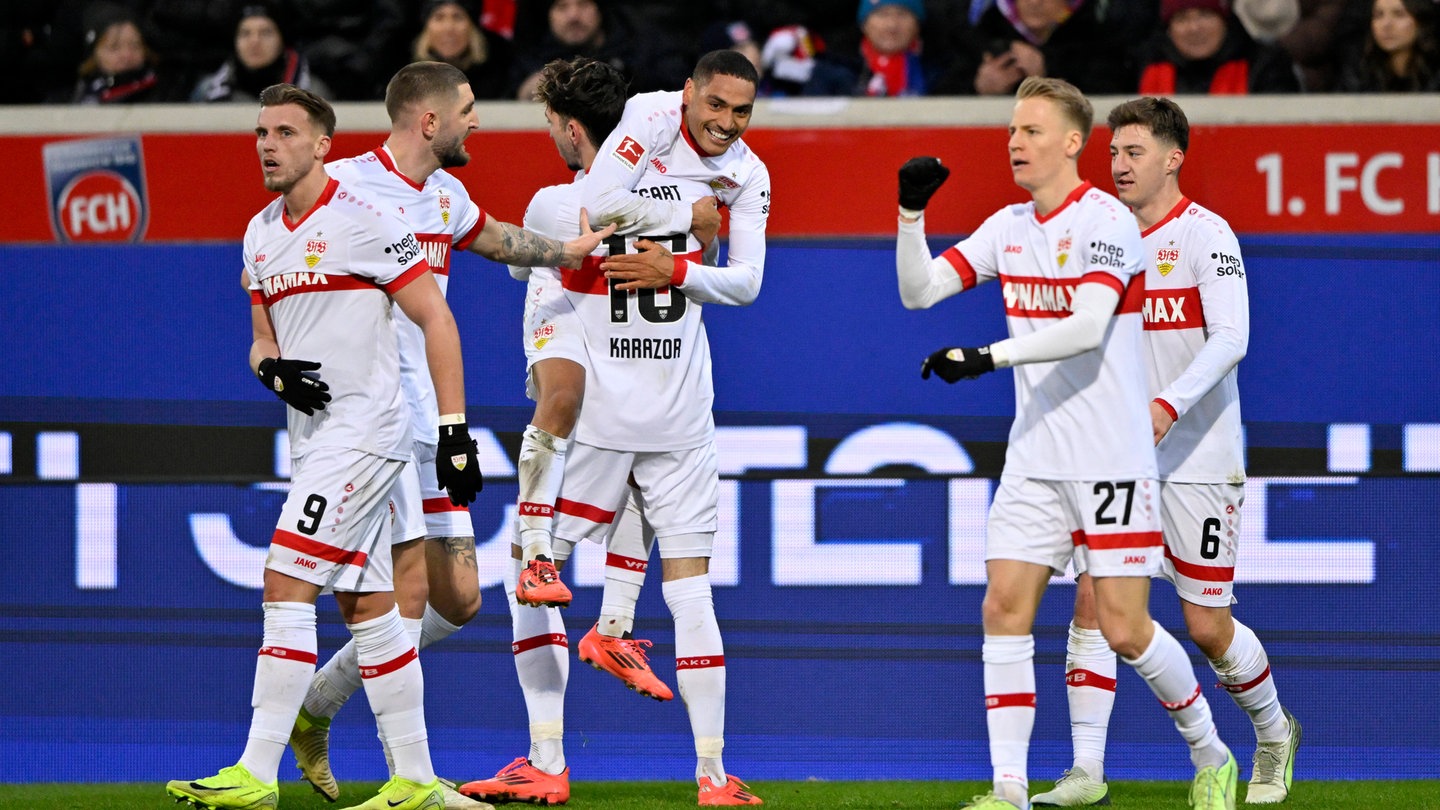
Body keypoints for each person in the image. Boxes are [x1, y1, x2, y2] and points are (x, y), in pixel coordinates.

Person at [894, 76, 1237, 810]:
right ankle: (1009, 788)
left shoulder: (1108, 222)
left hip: (1110, 455)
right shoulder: (1007, 226)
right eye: (1012, 131)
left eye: (1032, 131)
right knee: (1002, 608)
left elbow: (1086, 329)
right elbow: (919, 290)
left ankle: (1211, 753)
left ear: (1073, 142)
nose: (1015, 143)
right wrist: (910, 214)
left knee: (1124, 627)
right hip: (1036, 455)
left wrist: (985, 357)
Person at [283, 60, 615, 809]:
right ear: (429, 120)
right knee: (400, 590)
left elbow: (492, 237)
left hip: (434, 421)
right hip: (370, 419)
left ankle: (318, 706)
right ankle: (414, 782)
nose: (479, 121)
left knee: (458, 599)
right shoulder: (348, 188)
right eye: (468, 109)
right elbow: (290, 267)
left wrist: (565, 251)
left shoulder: (444, 192)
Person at [461, 48, 770, 808]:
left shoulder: (555, 204)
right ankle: (712, 776)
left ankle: (547, 760)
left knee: (530, 585)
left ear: (572, 131)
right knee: (694, 596)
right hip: (683, 413)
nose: (728, 125)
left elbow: (529, 259)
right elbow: (737, 272)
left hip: (602, 419)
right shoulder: (707, 190)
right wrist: (686, 240)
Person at [165, 82, 483, 810]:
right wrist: (270, 368)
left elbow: (436, 319)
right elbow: (261, 339)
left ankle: (253, 773)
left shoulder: (363, 221)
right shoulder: (259, 232)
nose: (267, 145)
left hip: (366, 435)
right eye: (260, 132)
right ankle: (416, 781)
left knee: (284, 582)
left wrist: (454, 433)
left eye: (283, 132)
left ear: (321, 145)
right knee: (369, 607)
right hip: (312, 442)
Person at [1027, 96, 1302, 808]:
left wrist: (1166, 405)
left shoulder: (1207, 237)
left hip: (1200, 455)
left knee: (1207, 626)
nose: (1118, 164)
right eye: (1113, 152)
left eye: (1135, 152)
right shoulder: (1099, 236)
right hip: (1119, 458)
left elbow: (1231, 339)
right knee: (1094, 601)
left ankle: (1273, 734)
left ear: (1174, 158)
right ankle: (1087, 770)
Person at [932, 0, 1135, 97]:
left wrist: (1049, 74)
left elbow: (1113, 96)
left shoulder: (1097, 35)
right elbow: (936, 99)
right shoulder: (984, 35)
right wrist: (978, 87)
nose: (1035, 2)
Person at [1135, 0, 1301, 94]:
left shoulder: (1265, 65)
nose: (1194, 28)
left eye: (1205, 15)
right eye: (1182, 18)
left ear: (1225, 22)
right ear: (1169, 29)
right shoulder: (1145, 66)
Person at [192, 3, 331, 103]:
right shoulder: (207, 91)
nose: (255, 42)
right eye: (245, 33)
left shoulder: (312, 92)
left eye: (266, 33)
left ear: (282, 40)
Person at [61, 2, 171, 103]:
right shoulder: (74, 97)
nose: (127, 55)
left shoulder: (166, 93)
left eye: (135, 45)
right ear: (94, 54)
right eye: (114, 47)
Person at [412, 0, 515, 100]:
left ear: (472, 27)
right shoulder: (409, 77)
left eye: (457, 17)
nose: (448, 28)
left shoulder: (500, 73)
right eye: (439, 17)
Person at [1336, 0, 1439, 92]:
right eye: (1378, 15)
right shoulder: (1359, 69)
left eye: (1399, 14)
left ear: (1421, 21)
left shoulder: (1435, 72)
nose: (1386, 25)